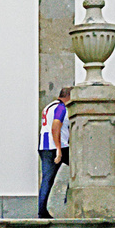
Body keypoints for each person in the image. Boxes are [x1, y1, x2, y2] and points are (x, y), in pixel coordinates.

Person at [37, 87, 72, 219]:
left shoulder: (49, 106)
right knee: (79, 167)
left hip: (45, 145)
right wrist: (58, 149)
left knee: (47, 179)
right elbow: (55, 126)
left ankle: (42, 210)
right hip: (57, 146)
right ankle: (69, 199)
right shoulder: (61, 108)